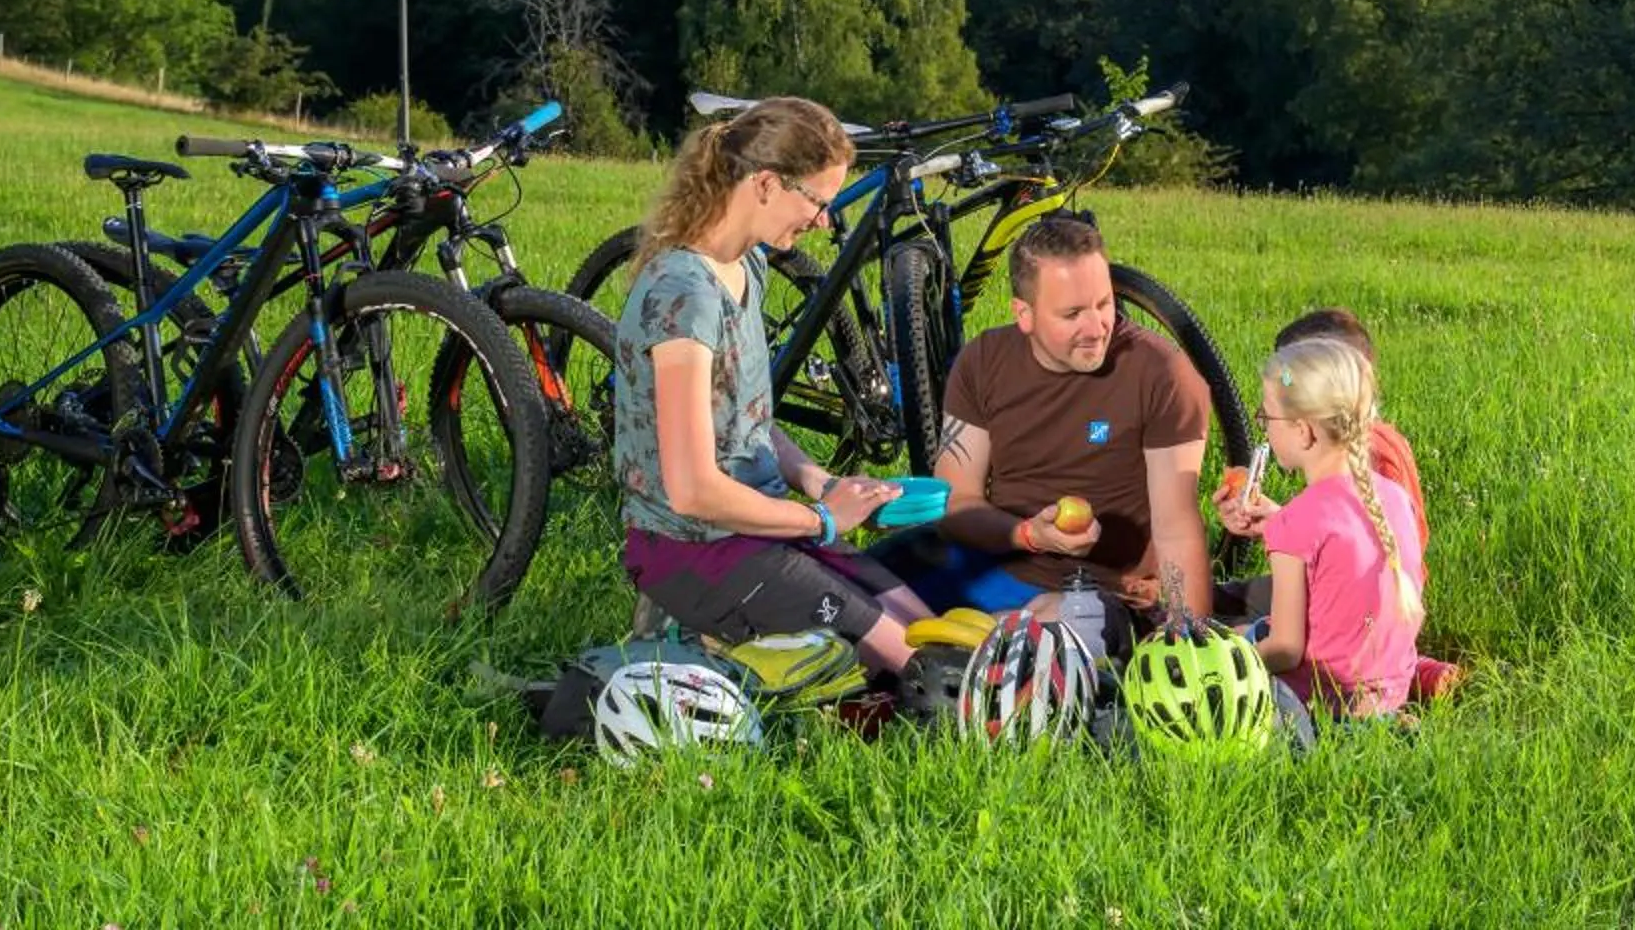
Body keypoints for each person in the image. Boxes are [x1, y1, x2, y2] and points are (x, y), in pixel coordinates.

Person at [611, 96, 930, 673]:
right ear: (764, 184)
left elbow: (746, 421)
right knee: (916, 667)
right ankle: (695, 639)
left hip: (758, 530)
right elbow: (692, 490)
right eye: (818, 202)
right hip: (693, 547)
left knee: (924, 631)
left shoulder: (747, 265)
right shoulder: (684, 299)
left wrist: (820, 480)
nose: (823, 221)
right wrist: (823, 519)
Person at [877, 211, 1214, 641]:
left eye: (1104, 304)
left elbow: (1177, 526)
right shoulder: (983, 361)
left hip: (1092, 591)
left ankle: (968, 653)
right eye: (1072, 313)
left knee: (1040, 630)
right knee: (843, 580)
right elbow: (956, 502)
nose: (1096, 328)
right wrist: (1028, 535)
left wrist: (1193, 641)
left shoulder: (1160, 373)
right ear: (1025, 314)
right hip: (989, 562)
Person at [1217, 306, 1459, 701]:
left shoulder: (1295, 522)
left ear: (1303, 431)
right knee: (1251, 629)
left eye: (1267, 418)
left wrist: (1226, 664)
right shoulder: (1392, 497)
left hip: (1319, 702)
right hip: (1386, 695)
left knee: (1233, 643)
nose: (1263, 427)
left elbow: (1285, 649)